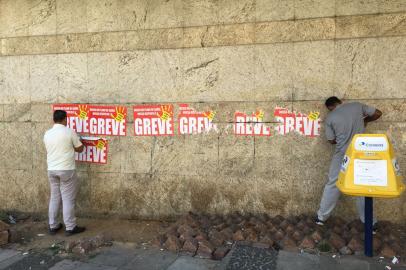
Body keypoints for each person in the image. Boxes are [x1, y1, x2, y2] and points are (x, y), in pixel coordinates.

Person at [316, 97, 382, 226]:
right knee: (363, 187)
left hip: (342, 154)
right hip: (360, 153)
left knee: (333, 184)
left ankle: (321, 218)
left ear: (329, 107)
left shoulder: (330, 117)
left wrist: (342, 138)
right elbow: (378, 113)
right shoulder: (357, 106)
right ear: (339, 102)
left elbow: (331, 140)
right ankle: (370, 223)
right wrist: (365, 121)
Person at [43, 110, 86, 236]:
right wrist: (80, 141)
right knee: (68, 199)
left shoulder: (47, 134)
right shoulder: (69, 132)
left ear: (54, 120)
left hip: (51, 169)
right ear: (65, 119)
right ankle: (70, 227)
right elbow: (80, 148)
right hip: (66, 169)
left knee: (54, 197)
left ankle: (53, 225)